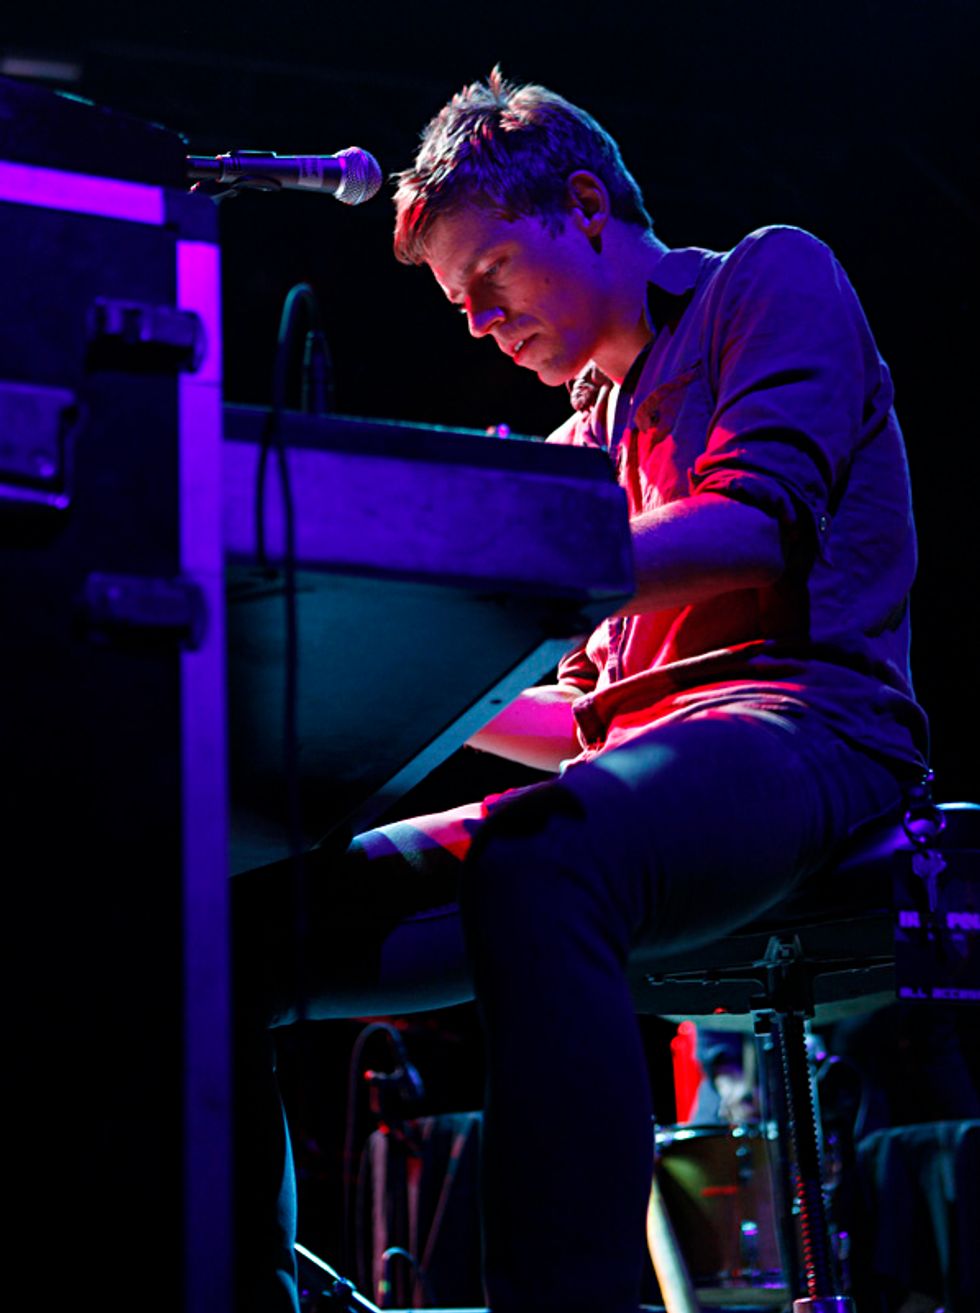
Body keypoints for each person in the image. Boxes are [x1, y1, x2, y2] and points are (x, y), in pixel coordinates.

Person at [233, 69, 929, 1313]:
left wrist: (495, 554)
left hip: (806, 724)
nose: (476, 324)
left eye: (489, 276)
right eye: (457, 302)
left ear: (584, 205)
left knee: (542, 857)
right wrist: (414, 669)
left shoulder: (764, 280)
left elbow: (750, 530)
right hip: (637, 779)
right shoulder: (579, 449)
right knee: (236, 931)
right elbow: (583, 729)